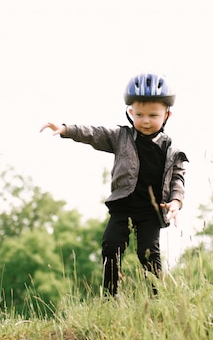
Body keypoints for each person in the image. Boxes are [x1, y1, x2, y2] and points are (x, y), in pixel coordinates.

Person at [40, 73, 188, 297]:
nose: (145, 120)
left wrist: (176, 202)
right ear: (130, 112)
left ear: (167, 115)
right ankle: (110, 296)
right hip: (123, 206)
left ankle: (159, 299)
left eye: (153, 115)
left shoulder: (171, 150)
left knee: (147, 254)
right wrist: (66, 129)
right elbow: (94, 134)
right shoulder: (122, 137)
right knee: (111, 246)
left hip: (151, 211)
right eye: (139, 114)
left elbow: (178, 178)